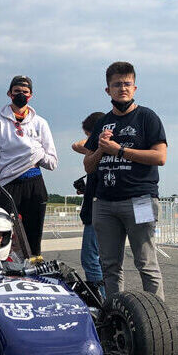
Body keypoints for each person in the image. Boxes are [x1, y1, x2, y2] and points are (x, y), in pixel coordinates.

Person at [84, 61, 167, 302]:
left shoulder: (147, 117)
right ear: (108, 90)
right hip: (105, 203)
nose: (123, 88)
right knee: (109, 265)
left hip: (140, 199)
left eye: (127, 84)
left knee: (146, 262)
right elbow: (88, 165)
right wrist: (101, 149)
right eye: (117, 84)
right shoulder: (103, 123)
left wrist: (119, 150)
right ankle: (114, 314)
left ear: (135, 88)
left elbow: (160, 157)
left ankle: (157, 315)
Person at [0, 75, 58, 256]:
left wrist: (35, 152)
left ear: (31, 95)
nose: (21, 95)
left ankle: (34, 266)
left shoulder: (40, 123)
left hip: (34, 183)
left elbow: (52, 162)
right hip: (7, 184)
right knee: (3, 235)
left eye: (25, 92)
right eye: (17, 91)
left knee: (33, 238)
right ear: (9, 93)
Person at [71, 112, 106, 295]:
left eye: (88, 134)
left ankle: (100, 297)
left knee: (90, 258)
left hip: (96, 213)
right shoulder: (103, 152)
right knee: (102, 259)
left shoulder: (101, 148)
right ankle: (106, 295)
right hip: (96, 207)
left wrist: (94, 140)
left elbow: (76, 145)